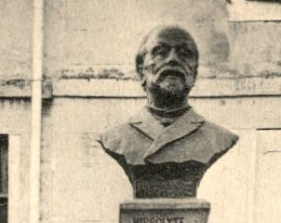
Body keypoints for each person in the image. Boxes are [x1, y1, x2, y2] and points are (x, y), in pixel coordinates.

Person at [99, 24, 238, 197]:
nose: (173, 59)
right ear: (141, 70)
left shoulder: (218, 138)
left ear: (194, 73)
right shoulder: (116, 138)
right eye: (161, 52)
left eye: (184, 54)